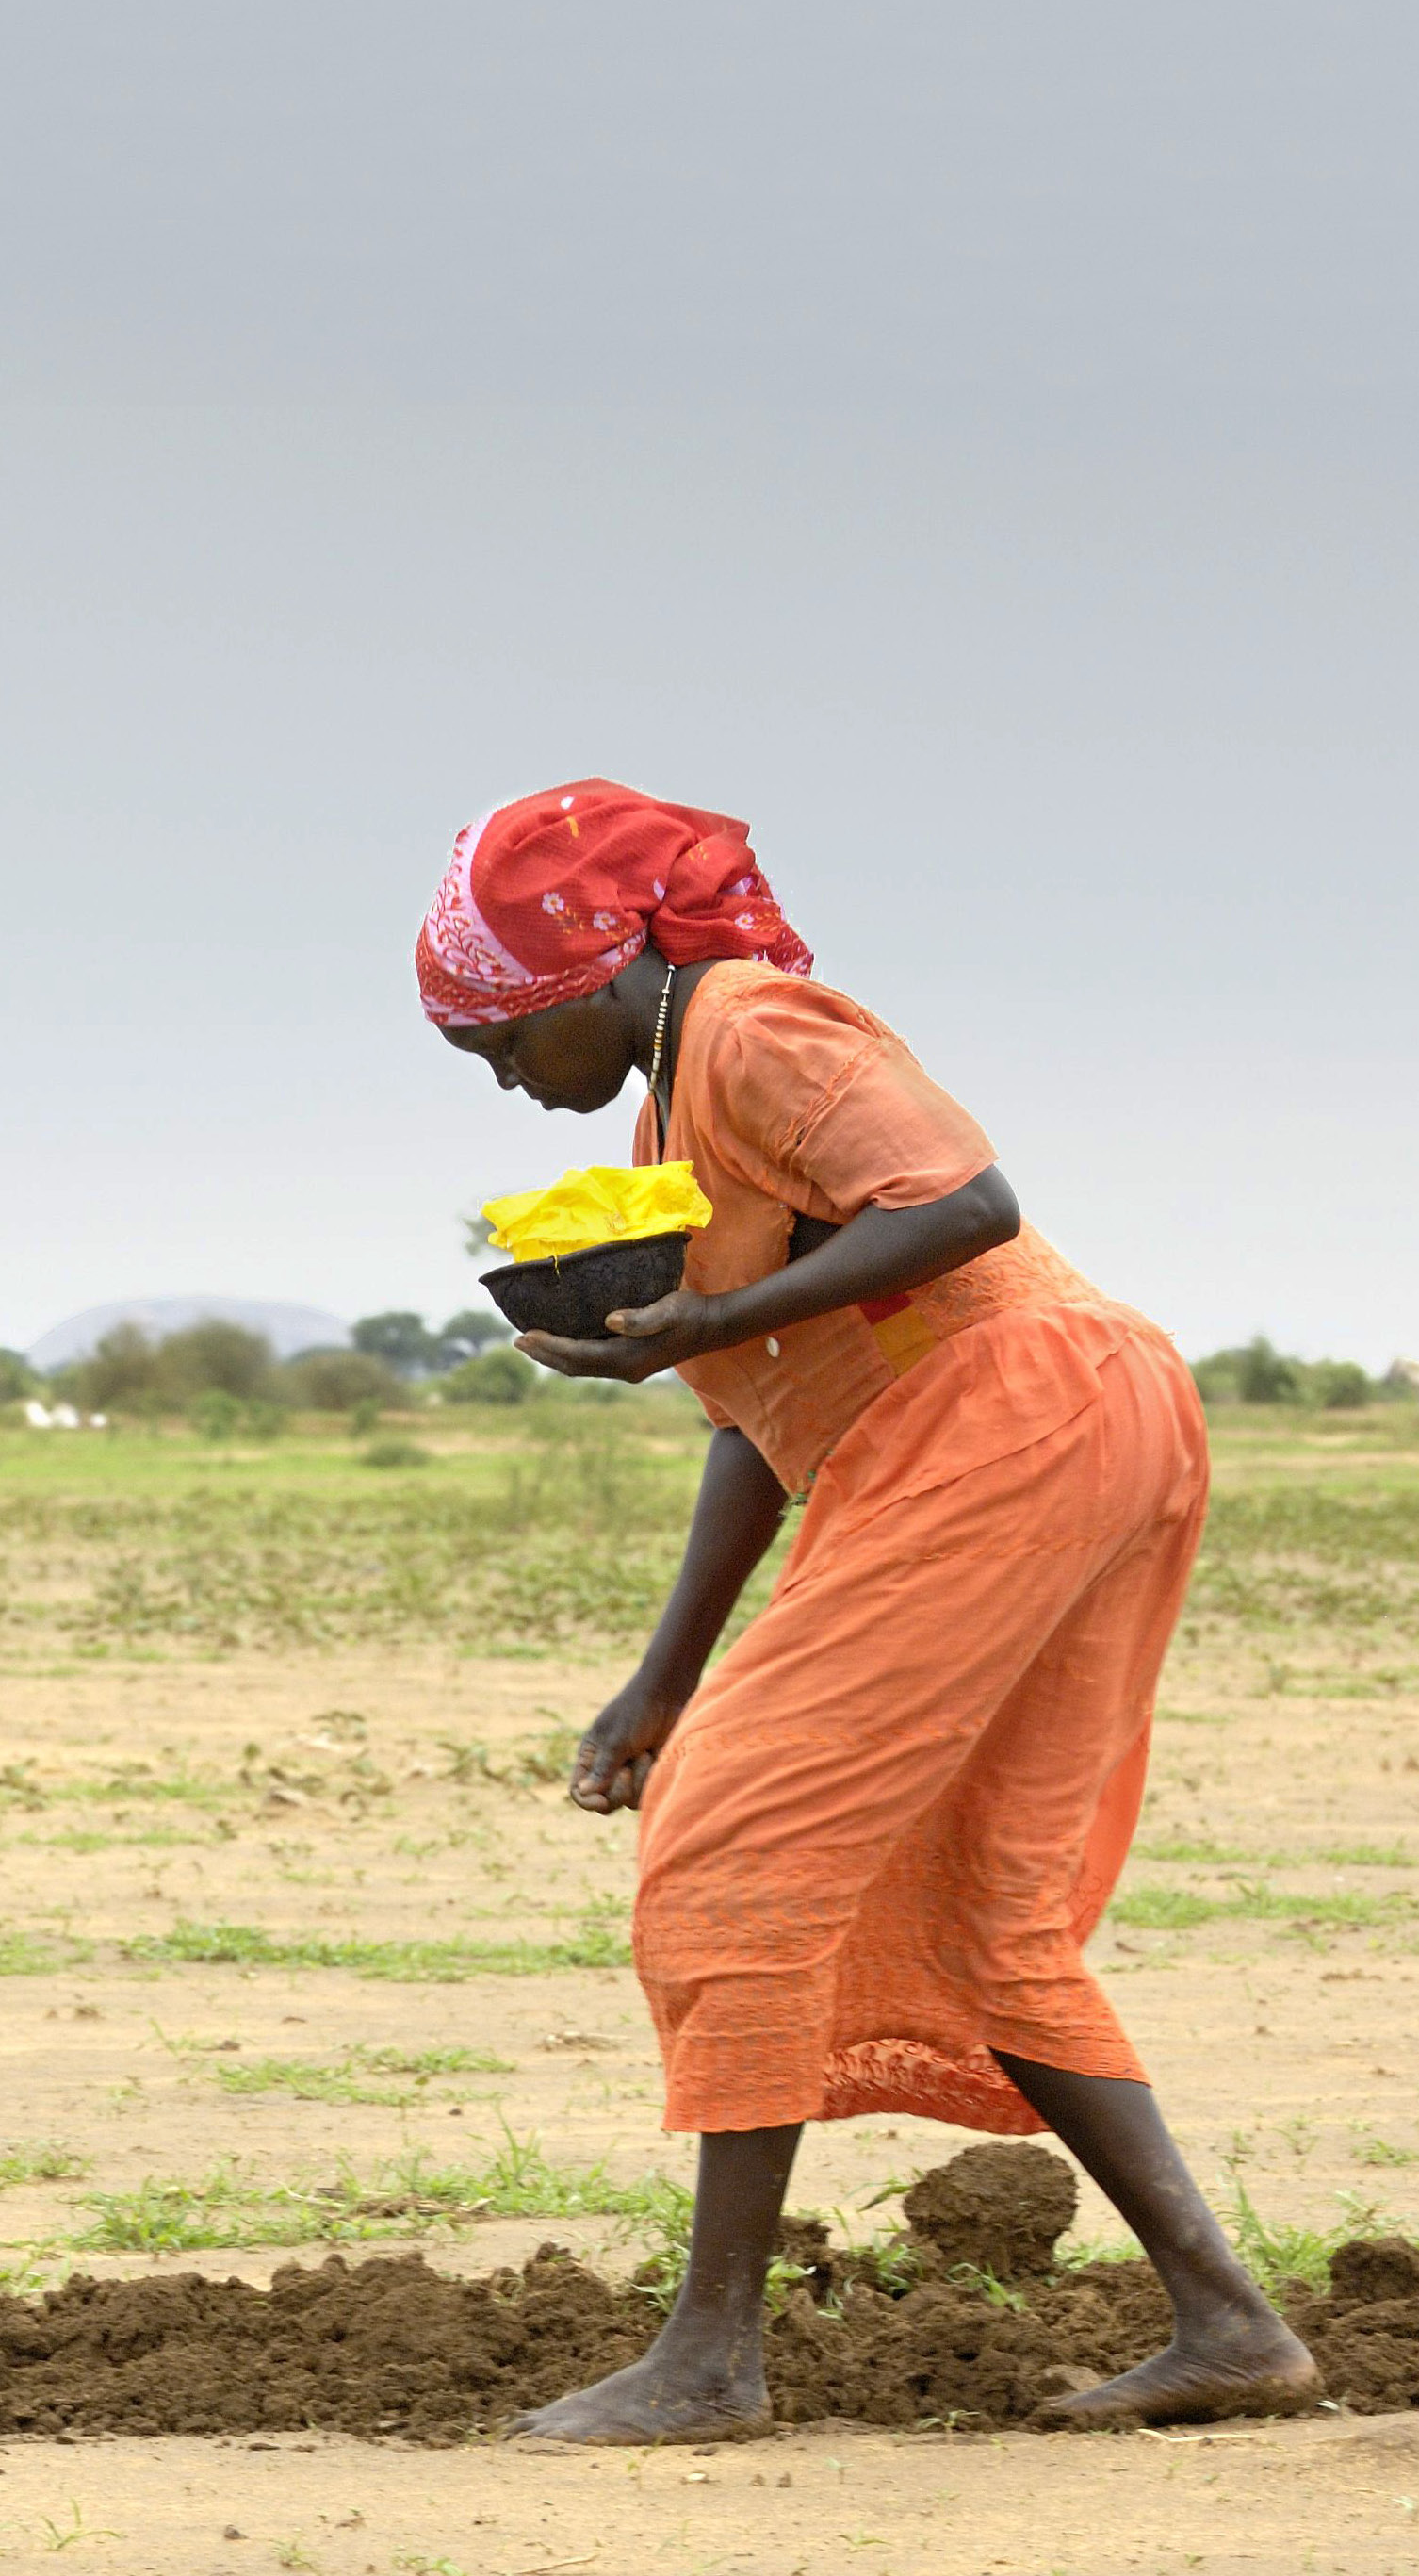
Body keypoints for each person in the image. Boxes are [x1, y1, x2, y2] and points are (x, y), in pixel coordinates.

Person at [418, 779, 1313, 2439]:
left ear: (580, 971)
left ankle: (707, 2359)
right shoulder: (673, 1103)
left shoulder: (753, 1027)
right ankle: (1230, 2325)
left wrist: (722, 1310)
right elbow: (754, 1425)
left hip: (1005, 1412)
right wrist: (656, 1679)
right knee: (976, 1891)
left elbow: (966, 1205)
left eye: (499, 1043)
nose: (506, 1085)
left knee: (734, 1841)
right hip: (1021, 1424)